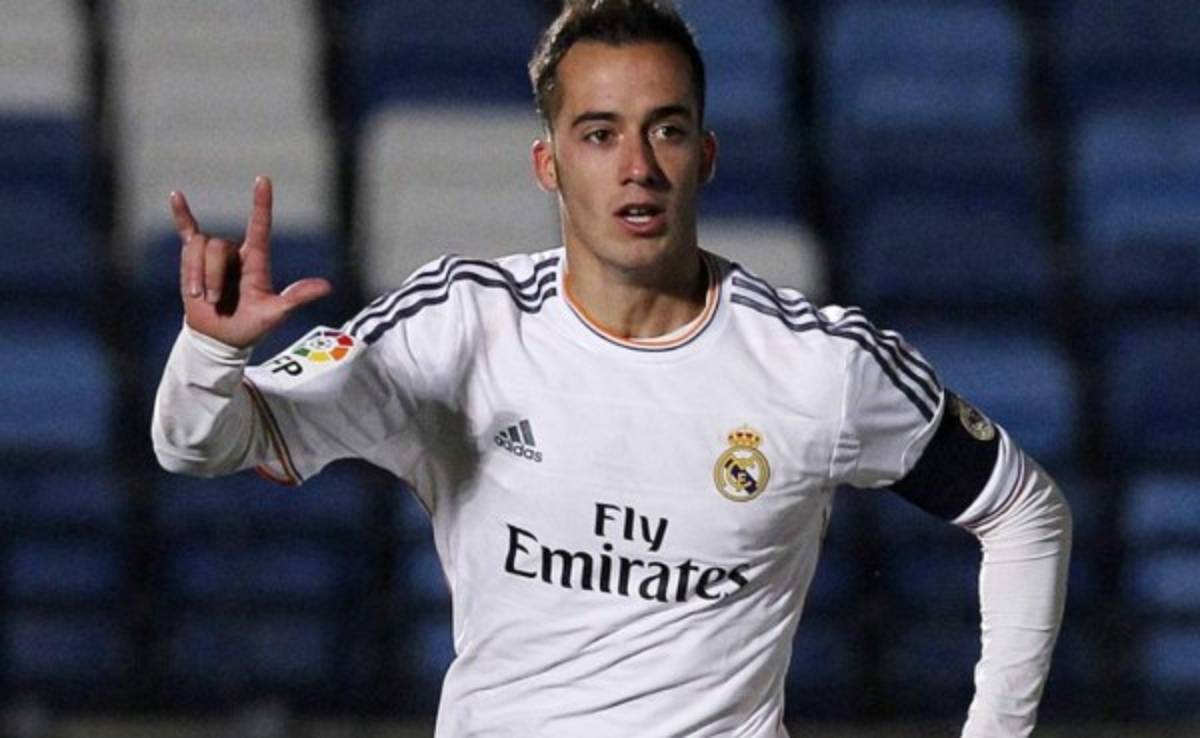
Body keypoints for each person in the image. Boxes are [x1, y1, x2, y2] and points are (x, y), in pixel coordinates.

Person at [151, 1, 1072, 735]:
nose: (637, 167)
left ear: (705, 156)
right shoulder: (459, 326)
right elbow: (199, 445)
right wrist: (213, 352)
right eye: (599, 134)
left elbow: (1025, 512)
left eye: (665, 131)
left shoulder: (817, 365)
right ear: (547, 164)